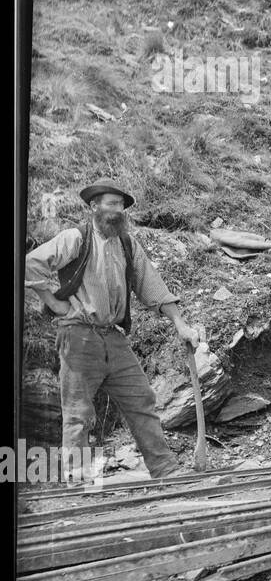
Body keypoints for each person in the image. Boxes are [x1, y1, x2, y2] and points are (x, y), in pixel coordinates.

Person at [25, 180, 205, 482]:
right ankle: (77, 482)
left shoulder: (127, 243)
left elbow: (152, 286)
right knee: (78, 413)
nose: (118, 210)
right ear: (94, 206)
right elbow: (31, 264)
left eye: (121, 205)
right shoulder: (75, 238)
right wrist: (56, 305)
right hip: (78, 335)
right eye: (111, 203)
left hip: (113, 336)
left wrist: (181, 324)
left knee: (142, 400)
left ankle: (165, 470)